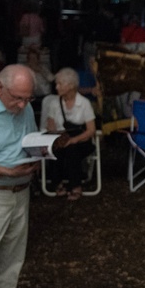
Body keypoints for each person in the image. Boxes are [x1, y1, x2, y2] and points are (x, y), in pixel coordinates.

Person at [0, 65, 40, 288]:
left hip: (20, 192)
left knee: (10, 260)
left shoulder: (26, 108)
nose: (22, 105)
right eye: (17, 98)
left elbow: (29, 141)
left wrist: (40, 155)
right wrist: (6, 171)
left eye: (28, 98)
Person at [40, 68, 96, 200]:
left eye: (60, 84)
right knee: (56, 148)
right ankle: (57, 182)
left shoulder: (84, 103)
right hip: (61, 137)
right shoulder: (54, 103)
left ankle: (76, 185)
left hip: (81, 140)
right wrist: (58, 138)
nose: (56, 87)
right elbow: (51, 126)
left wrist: (74, 140)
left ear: (71, 86)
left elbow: (91, 130)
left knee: (72, 149)